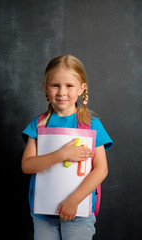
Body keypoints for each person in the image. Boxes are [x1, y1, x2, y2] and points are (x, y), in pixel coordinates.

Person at [21, 55, 113, 240]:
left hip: (78, 210)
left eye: (69, 86)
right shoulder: (39, 124)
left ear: (81, 88)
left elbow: (101, 170)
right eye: (55, 85)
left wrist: (74, 200)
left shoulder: (91, 125)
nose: (62, 92)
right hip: (43, 212)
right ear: (46, 87)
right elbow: (27, 166)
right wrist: (62, 154)